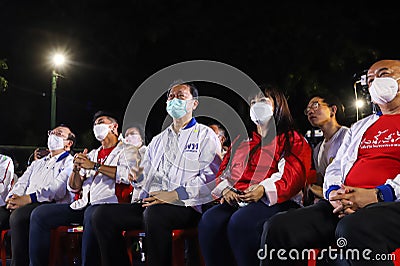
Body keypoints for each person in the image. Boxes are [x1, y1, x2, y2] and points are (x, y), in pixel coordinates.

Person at [263, 59, 400, 266]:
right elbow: (337, 166)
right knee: (279, 226)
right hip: (345, 203)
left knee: (354, 228)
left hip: (391, 204)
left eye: (383, 74)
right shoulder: (359, 127)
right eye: (370, 80)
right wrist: (334, 193)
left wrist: (378, 194)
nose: (374, 84)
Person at [90, 81, 222, 266]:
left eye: (181, 96)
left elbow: (209, 179)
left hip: (186, 205)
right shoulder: (158, 141)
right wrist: (138, 178)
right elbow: (146, 175)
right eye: (171, 97)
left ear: (194, 103)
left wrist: (173, 195)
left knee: (155, 214)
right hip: (154, 203)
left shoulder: (205, 135)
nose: (174, 100)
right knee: (102, 215)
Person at [198, 86, 312, 266]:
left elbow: (292, 175)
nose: (257, 106)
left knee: (241, 222)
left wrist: (262, 189)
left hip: (277, 201)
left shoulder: (291, 139)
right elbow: (223, 173)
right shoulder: (242, 142)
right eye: (253, 102)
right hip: (240, 200)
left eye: (263, 101)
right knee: (210, 221)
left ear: (278, 106)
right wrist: (225, 189)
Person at [29, 111, 137, 266]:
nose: (96, 126)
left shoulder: (128, 150)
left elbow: (128, 176)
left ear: (114, 126)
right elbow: (74, 188)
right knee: (40, 214)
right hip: (84, 205)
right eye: (95, 124)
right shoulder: (92, 154)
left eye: (101, 122)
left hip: (110, 206)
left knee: (92, 214)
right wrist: (76, 169)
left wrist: (94, 166)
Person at [0, 125, 75, 266]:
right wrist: (13, 197)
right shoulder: (38, 163)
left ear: (69, 143)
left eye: (59, 134)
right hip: (23, 201)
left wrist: (28, 199)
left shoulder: (69, 163)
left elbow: (56, 190)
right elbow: (22, 182)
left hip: (47, 204)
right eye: (51, 133)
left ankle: (19, 263)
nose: (53, 136)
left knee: (19, 216)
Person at [303, 93, 349, 204]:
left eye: (315, 105)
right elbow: (320, 182)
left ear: (333, 110)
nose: (310, 111)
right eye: (307, 110)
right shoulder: (318, 149)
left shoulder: (348, 137)